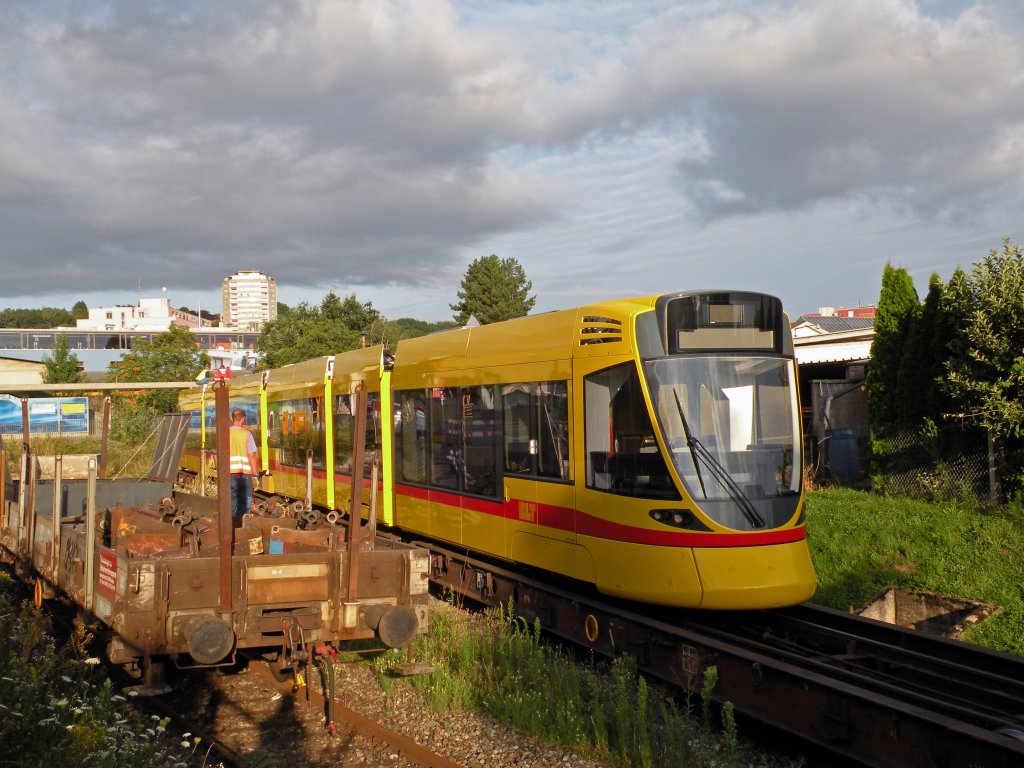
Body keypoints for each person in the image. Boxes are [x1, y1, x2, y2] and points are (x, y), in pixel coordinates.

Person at [229, 408, 259, 517]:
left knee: (231, 500)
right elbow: (251, 455)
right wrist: (255, 473)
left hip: (229, 474)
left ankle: (230, 524)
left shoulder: (225, 434)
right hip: (244, 475)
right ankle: (241, 524)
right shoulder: (247, 434)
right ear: (243, 419)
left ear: (232, 418)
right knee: (244, 502)